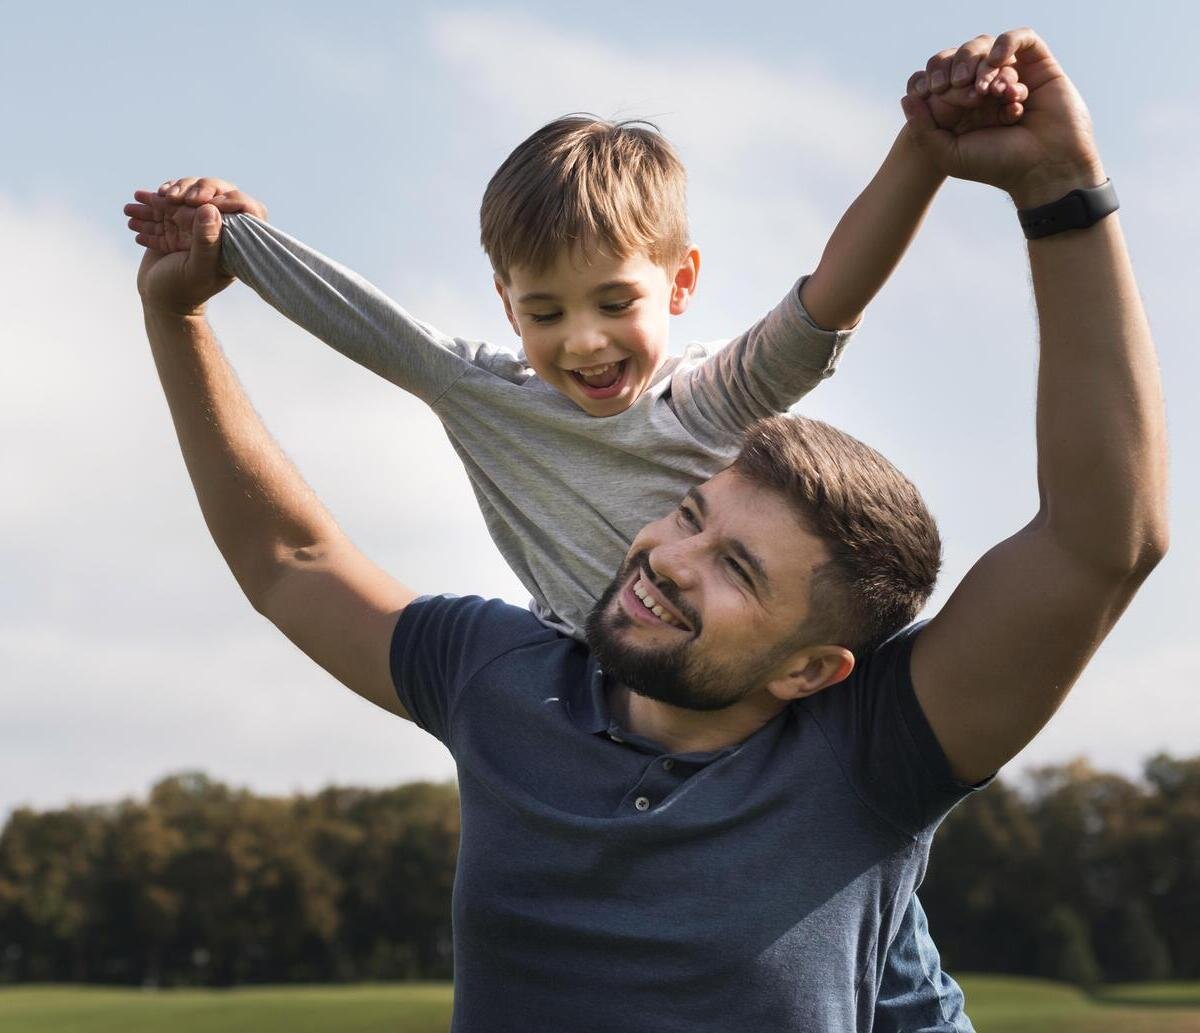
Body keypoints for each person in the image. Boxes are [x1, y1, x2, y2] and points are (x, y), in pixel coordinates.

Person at [130, 27, 1166, 1032]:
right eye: (687, 513)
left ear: (815, 667)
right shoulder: (503, 681)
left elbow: (1100, 542)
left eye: (739, 571)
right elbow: (290, 558)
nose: (667, 560)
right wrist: (177, 318)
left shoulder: (873, 755)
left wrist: (1059, 191)